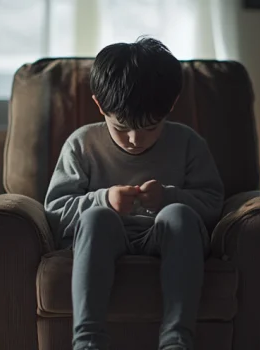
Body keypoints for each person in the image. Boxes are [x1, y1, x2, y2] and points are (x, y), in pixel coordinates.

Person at [44, 37, 225, 350]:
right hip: (105, 237)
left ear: (171, 105)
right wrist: (104, 199)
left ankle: (176, 341)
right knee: (97, 218)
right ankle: (88, 342)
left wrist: (170, 197)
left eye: (150, 128)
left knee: (177, 216)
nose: (134, 139)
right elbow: (56, 212)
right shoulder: (82, 144)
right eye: (121, 127)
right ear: (100, 105)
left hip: (166, 236)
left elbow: (213, 205)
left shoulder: (188, 144)